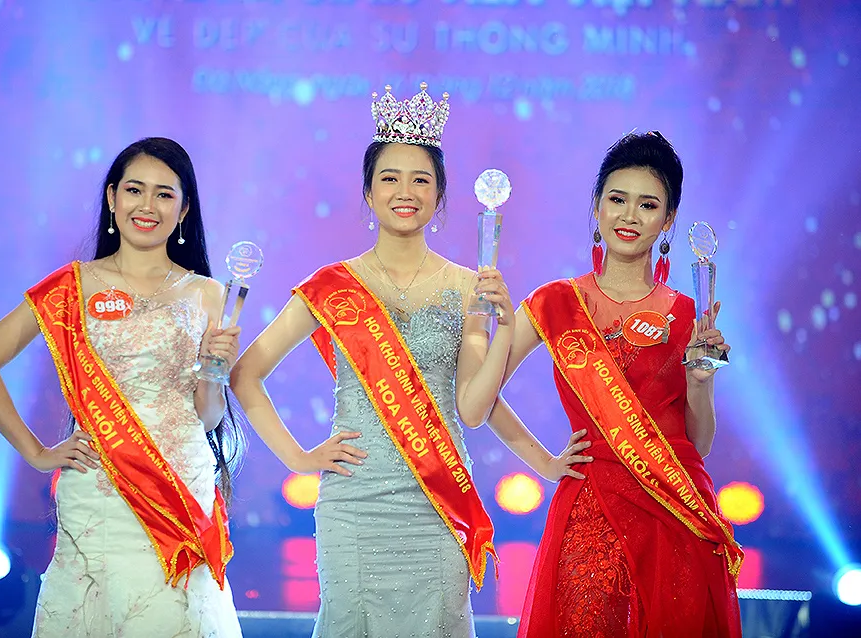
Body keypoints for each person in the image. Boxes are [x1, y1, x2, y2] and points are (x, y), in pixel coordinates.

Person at [231, 84, 512, 637]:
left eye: (421, 180)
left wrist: (503, 328)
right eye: (390, 178)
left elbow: (473, 409)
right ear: (367, 191)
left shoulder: (468, 287)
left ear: (440, 194)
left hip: (437, 501)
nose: (405, 192)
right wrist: (299, 458)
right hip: (355, 504)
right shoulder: (334, 285)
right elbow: (245, 375)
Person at [0, 137, 245, 637]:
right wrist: (37, 452)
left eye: (164, 194)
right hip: (99, 489)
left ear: (184, 210)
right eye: (134, 190)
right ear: (112, 198)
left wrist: (214, 371)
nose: (147, 205)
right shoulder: (72, 286)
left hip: (180, 486)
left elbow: (206, 416)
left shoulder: (208, 292)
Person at [489, 131, 743, 638]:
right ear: (597, 206)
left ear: (667, 220)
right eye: (617, 199)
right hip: (589, 512)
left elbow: (700, 443)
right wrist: (546, 463)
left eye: (648, 205)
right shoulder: (555, 303)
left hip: (672, 509)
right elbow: (480, 395)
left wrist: (700, 381)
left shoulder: (687, 314)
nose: (630, 216)